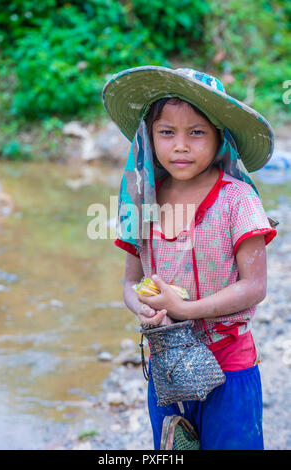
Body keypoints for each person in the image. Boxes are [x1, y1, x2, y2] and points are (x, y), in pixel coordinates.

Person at [102, 66, 277, 450]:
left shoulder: (238, 200)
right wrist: (143, 307)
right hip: (166, 366)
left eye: (196, 132)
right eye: (167, 132)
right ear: (149, 137)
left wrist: (185, 307)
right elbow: (130, 282)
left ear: (219, 138)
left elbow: (255, 286)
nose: (180, 145)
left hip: (229, 365)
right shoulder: (144, 201)